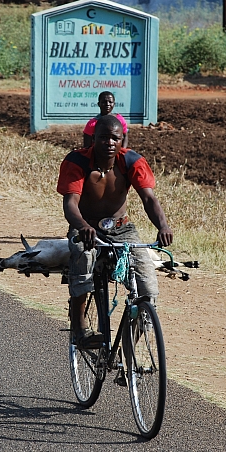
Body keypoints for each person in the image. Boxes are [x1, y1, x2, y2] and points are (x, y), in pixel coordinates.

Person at [57, 114, 173, 346]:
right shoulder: (77, 161)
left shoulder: (132, 161)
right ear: (93, 139)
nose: (109, 143)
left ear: (123, 140)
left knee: (147, 288)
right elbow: (70, 203)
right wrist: (83, 226)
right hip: (87, 228)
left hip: (123, 230)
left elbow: (149, 199)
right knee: (83, 255)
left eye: (114, 138)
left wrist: (162, 225)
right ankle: (79, 327)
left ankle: (129, 349)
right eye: (103, 138)